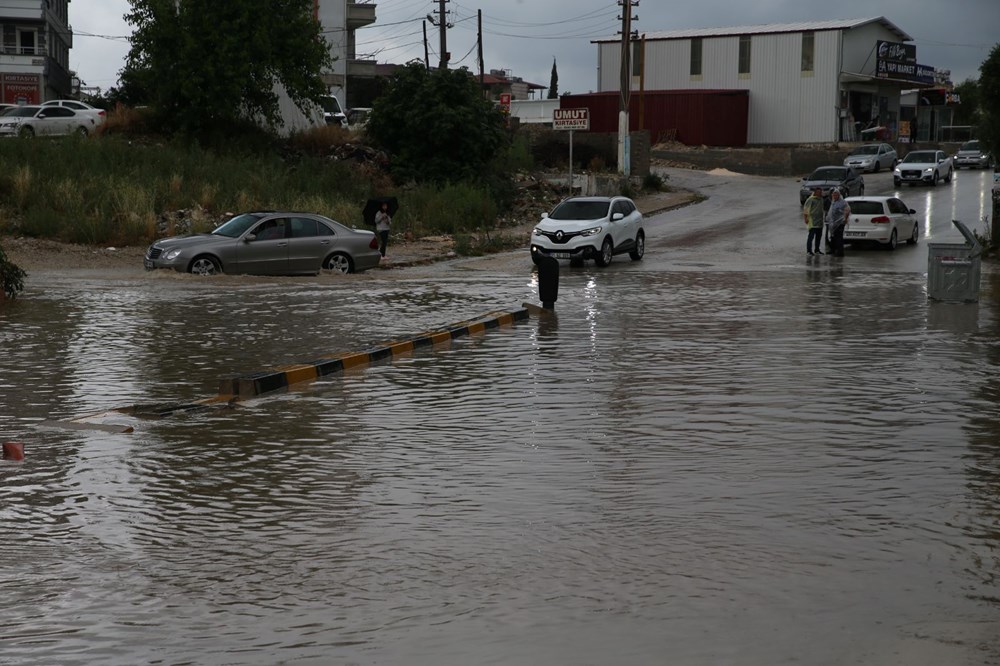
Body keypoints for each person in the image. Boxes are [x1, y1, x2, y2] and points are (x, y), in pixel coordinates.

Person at [825, 189, 850, 258]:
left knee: (839, 238)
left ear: (839, 195)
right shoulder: (833, 202)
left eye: (836, 195)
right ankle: (833, 250)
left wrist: (845, 219)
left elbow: (847, 210)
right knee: (832, 237)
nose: (835, 196)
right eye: (834, 195)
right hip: (832, 223)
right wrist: (827, 219)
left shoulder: (843, 202)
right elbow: (831, 211)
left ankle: (840, 252)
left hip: (840, 224)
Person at [802, 187, 825, 256]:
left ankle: (817, 250)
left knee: (818, 236)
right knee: (811, 237)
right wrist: (806, 218)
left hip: (820, 221)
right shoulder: (811, 199)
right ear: (815, 192)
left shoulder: (821, 199)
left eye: (820, 192)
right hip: (812, 221)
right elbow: (806, 209)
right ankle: (809, 251)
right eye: (818, 192)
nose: (820, 193)